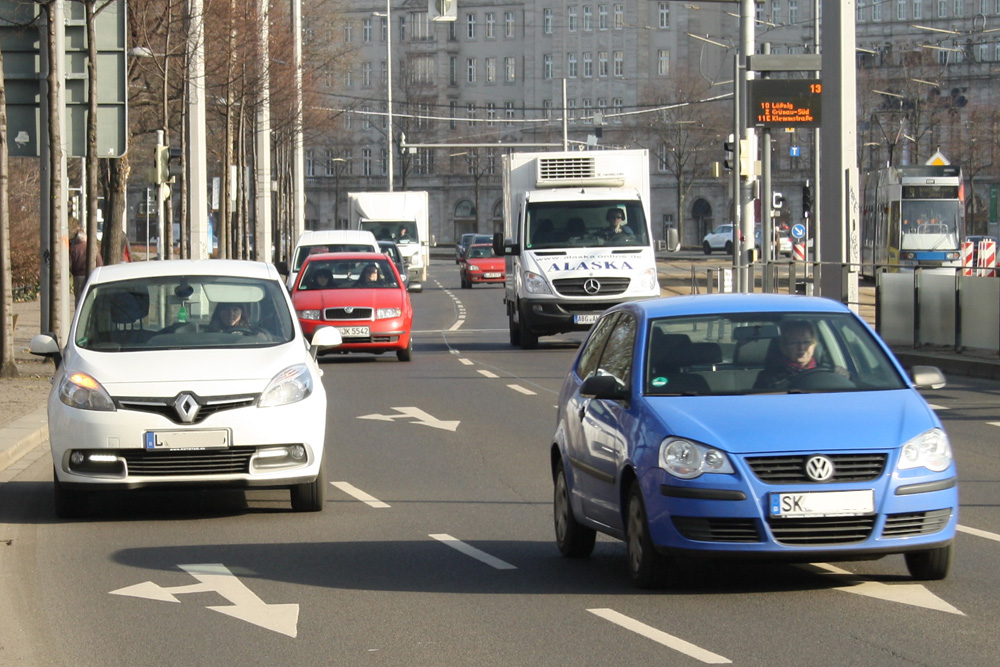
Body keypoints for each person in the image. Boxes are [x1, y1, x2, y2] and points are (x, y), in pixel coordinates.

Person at [753, 320, 819, 390]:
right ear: (783, 347)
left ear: (814, 345)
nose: (801, 347)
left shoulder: (823, 373)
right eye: (794, 343)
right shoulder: (768, 378)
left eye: (806, 342)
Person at [69, 228, 103, 306]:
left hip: (78, 276)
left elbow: (70, 263)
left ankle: (79, 311)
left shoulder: (74, 249)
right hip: (91, 274)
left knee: (78, 296)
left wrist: (72, 271)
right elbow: (99, 261)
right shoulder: (92, 247)